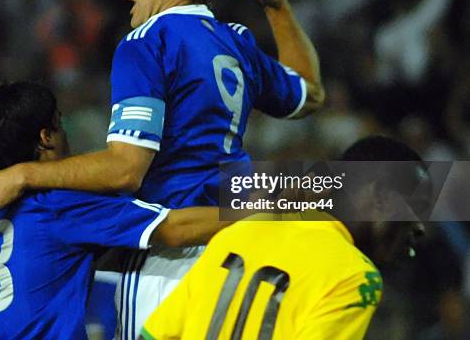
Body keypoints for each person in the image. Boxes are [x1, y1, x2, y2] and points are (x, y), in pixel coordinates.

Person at [0, 0, 324, 338]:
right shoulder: (235, 40)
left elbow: (125, 169)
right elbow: (310, 94)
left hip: (167, 258)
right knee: (391, 191)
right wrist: (276, 5)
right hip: (236, 251)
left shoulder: (147, 42)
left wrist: (21, 173)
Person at [0, 82, 231, 339]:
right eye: (61, 123)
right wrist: (265, 206)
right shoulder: (58, 203)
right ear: (46, 137)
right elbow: (175, 229)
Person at [140, 135, 428, 340]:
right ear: (379, 196)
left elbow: (154, 334)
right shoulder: (355, 276)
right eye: (415, 208)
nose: (419, 227)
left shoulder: (241, 232)